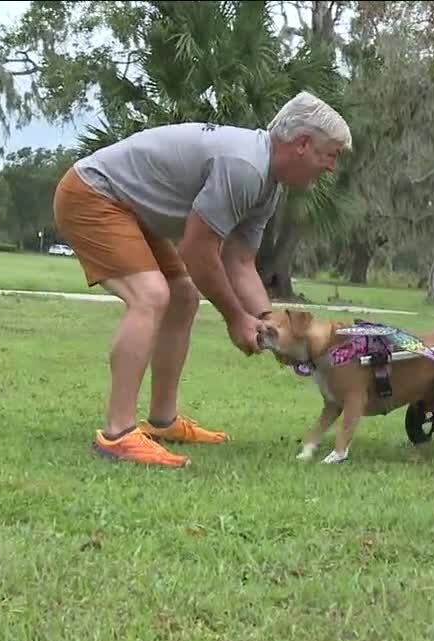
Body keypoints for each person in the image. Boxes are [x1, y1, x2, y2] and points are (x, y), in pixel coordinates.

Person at [52, 91, 352, 468]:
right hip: (92, 194)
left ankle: (162, 422)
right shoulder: (245, 166)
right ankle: (118, 434)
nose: (331, 167)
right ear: (302, 144)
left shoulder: (267, 185)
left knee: (182, 297)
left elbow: (239, 260)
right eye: (331, 154)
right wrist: (235, 318)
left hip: (132, 211)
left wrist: (266, 318)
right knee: (151, 295)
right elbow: (197, 252)